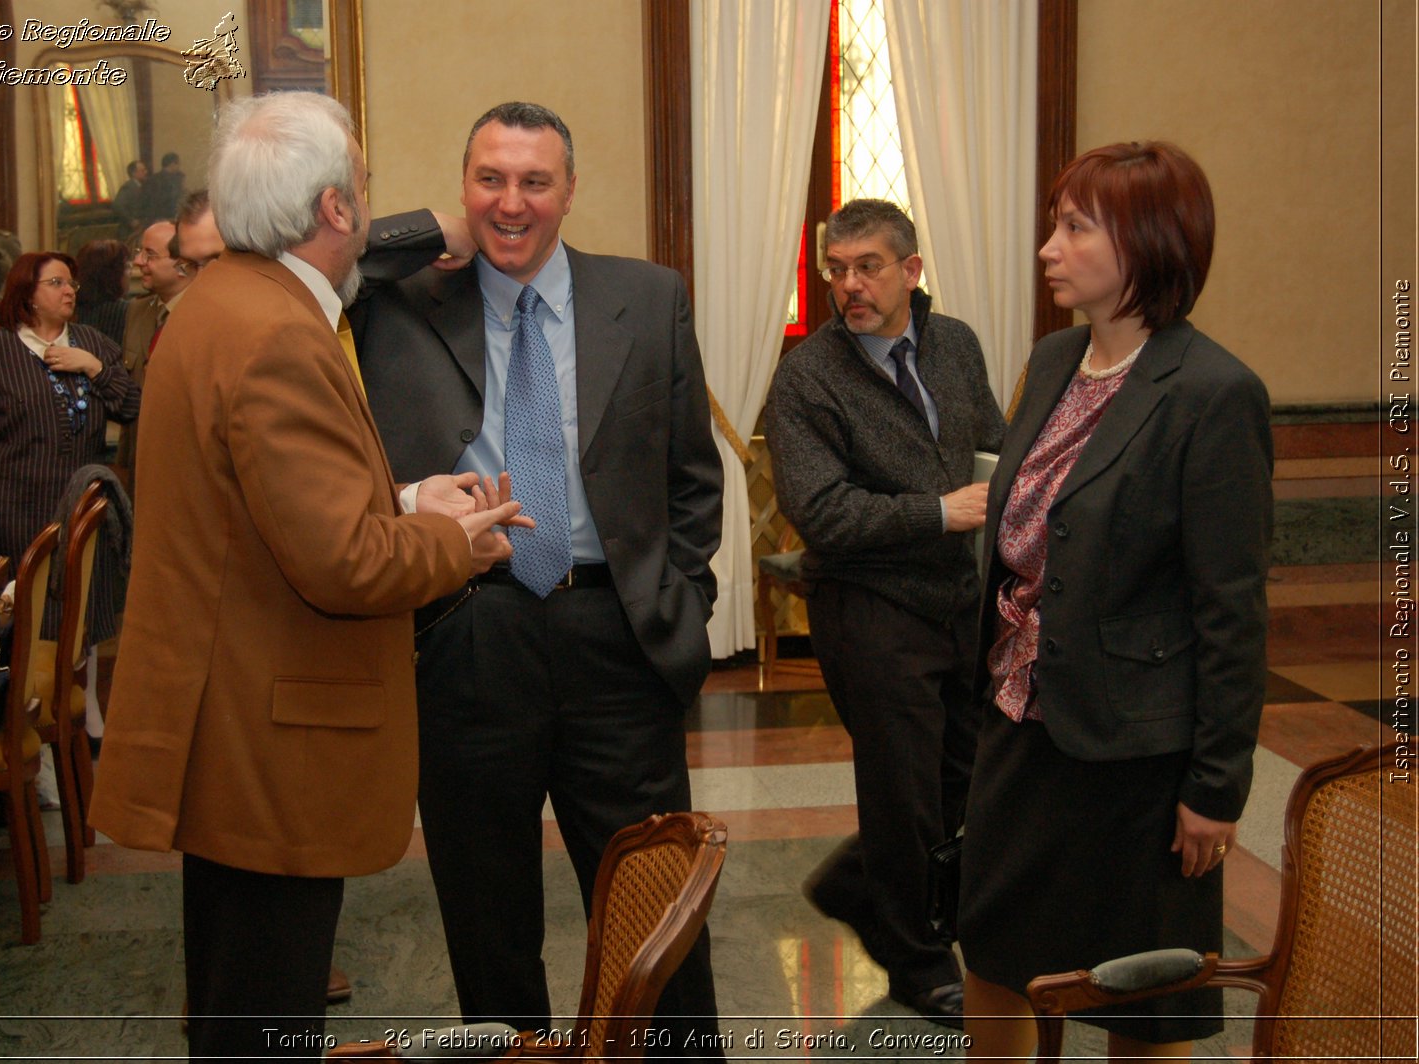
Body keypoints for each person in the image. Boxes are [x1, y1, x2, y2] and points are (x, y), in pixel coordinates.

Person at [87, 91, 527, 1061]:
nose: (369, 204)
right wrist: (460, 543)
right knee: (260, 1020)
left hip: (229, 718)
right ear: (334, 209)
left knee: (236, 1003)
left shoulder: (218, 305)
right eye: (363, 185)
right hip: (268, 737)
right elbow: (341, 563)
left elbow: (262, 511)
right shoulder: (279, 331)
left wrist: (406, 499)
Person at [354, 101, 725, 1052]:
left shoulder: (646, 297)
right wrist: (431, 230)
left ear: (570, 191)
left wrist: (679, 607)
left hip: (617, 639)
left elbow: (692, 478)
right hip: (468, 634)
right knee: (488, 918)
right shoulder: (395, 301)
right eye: (489, 180)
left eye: (534, 182)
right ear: (462, 184)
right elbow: (306, 248)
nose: (511, 203)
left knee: (659, 913)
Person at [959, 141, 1272, 1061]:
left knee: (1146, 995)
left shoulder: (1214, 393)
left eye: (1073, 227)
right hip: (1022, 726)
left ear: (1145, 242)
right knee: (995, 951)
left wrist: (1215, 789)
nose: (1049, 247)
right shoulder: (1054, 359)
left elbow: (1231, 609)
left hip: (1138, 755)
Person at [764, 199, 1004, 1027]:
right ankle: (918, 961)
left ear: (912, 270)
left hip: (961, 601)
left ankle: (858, 883)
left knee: (960, 779)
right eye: (837, 269)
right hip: (866, 606)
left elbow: (994, 455)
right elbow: (823, 513)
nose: (850, 286)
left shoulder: (958, 346)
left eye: (868, 266)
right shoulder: (808, 376)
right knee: (902, 789)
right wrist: (941, 512)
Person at [0, 251, 139, 609]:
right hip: (9, 509)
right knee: (20, 615)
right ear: (28, 294)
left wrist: (94, 368)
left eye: (72, 284)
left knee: (75, 614)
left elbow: (130, 407)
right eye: (56, 283)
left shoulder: (92, 343)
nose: (69, 292)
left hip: (78, 509)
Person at [116, 221, 190, 484]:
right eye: (139, 252)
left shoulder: (203, 316)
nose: (138, 261)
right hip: (140, 469)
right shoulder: (137, 311)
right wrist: (123, 468)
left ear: (182, 264)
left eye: (150, 254)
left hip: (183, 472)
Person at [73, 239, 132, 346]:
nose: (130, 273)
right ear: (114, 273)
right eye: (127, 266)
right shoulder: (127, 311)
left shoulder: (70, 307)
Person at [112, 160, 150, 239]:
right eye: (143, 170)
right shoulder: (128, 187)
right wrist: (131, 220)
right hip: (129, 231)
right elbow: (118, 205)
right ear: (134, 173)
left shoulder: (143, 186)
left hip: (141, 228)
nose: (146, 172)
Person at [143, 152, 185, 223]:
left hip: (163, 217)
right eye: (178, 164)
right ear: (172, 164)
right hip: (164, 218)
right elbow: (154, 201)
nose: (179, 167)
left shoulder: (153, 178)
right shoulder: (158, 180)